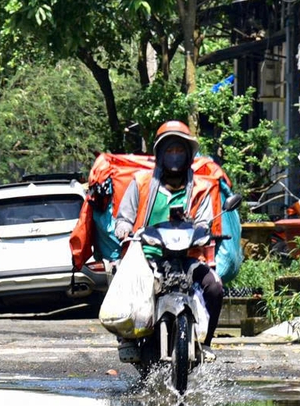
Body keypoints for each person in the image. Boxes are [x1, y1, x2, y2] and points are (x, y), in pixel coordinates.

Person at [79, 121, 243, 349]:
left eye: (179, 150)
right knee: (124, 288)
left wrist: (203, 230)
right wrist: (124, 228)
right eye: (169, 150)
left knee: (214, 287)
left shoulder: (202, 187)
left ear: (187, 155)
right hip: (148, 259)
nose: (174, 156)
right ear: (160, 154)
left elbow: (206, 221)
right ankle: (128, 339)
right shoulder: (140, 182)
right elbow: (124, 217)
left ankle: (206, 344)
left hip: (188, 260)